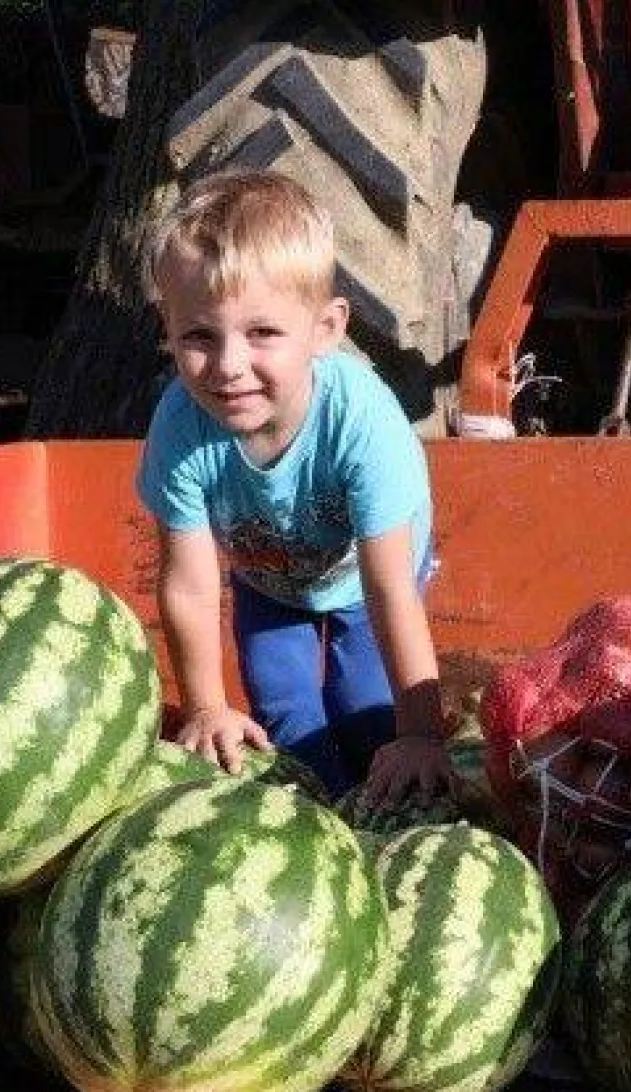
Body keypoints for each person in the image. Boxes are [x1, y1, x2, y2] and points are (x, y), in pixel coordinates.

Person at [135, 169, 453, 805]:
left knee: (368, 710)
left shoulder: (362, 423)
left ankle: (385, 812)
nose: (228, 366)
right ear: (167, 330)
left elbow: (391, 588)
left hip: (366, 580)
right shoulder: (180, 423)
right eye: (199, 335)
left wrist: (423, 735)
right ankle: (326, 825)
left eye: (262, 333)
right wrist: (205, 708)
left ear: (326, 330)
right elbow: (192, 585)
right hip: (269, 580)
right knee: (286, 721)